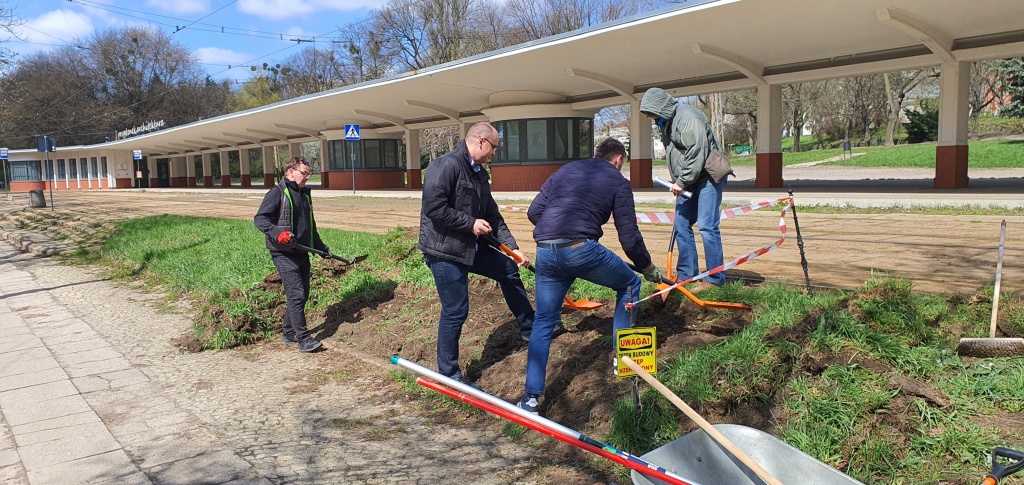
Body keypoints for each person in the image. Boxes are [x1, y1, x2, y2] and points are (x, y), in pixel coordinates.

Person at [516, 138, 661, 415]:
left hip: (545, 251)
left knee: (544, 321)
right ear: (618, 159)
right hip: (580, 249)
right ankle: (625, 357)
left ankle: (531, 399)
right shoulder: (619, 182)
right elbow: (629, 237)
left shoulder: (567, 170)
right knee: (630, 283)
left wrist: (556, 230)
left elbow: (535, 212)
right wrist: (646, 266)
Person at [418, 122, 535, 388]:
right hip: (444, 250)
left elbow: (493, 215)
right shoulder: (445, 166)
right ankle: (449, 374)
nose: (495, 153)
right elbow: (434, 208)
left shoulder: (480, 173)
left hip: (470, 246)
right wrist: (469, 224)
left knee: (507, 269)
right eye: (494, 147)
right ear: (481, 141)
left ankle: (530, 328)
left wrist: (513, 248)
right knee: (456, 309)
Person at [640, 87, 727, 292]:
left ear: (661, 108)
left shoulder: (688, 118)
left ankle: (715, 278)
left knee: (706, 225)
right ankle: (688, 274)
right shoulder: (668, 122)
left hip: (708, 177)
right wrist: (680, 180)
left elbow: (697, 152)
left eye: (653, 115)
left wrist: (681, 182)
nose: (653, 119)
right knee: (681, 224)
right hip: (689, 180)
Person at [254, 157, 329, 353]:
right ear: (290, 172)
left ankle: (288, 332)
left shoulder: (304, 195)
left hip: (302, 251)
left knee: (302, 295)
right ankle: (303, 339)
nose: (307, 177)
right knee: (296, 294)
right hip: (283, 252)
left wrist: (321, 248)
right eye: (304, 173)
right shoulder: (277, 192)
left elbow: (309, 226)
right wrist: (278, 233)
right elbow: (260, 219)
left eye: (308, 173)